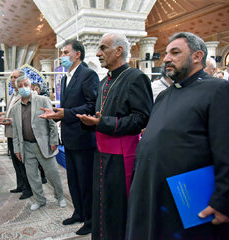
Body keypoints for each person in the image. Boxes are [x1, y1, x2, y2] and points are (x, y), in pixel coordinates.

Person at [126, 32, 229, 240]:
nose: (166, 59)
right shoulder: (165, 95)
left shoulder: (218, 90)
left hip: (189, 202)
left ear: (197, 56)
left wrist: (223, 201)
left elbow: (225, 149)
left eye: (175, 52)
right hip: (154, 193)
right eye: (166, 54)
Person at [76, 33, 153, 240]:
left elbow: (143, 118)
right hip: (101, 154)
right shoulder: (104, 81)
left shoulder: (137, 78)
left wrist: (103, 123)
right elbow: (101, 115)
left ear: (119, 51)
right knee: (102, 204)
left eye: (103, 48)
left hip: (121, 157)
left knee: (118, 207)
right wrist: (90, 121)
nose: (98, 53)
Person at [40, 39, 99, 235]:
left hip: (84, 138)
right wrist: (57, 111)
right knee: (73, 180)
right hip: (70, 137)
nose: (62, 56)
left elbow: (92, 106)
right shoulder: (65, 78)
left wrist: (66, 113)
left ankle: (91, 220)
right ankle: (79, 213)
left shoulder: (88, 74)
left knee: (85, 181)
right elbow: (69, 106)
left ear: (77, 54)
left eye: (65, 52)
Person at [11, 75, 66, 211]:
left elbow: (52, 123)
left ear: (30, 86)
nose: (24, 88)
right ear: (17, 89)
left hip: (43, 144)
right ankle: (40, 200)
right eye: (21, 86)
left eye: (26, 84)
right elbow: (16, 131)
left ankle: (60, 197)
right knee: (32, 176)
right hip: (26, 146)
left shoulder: (42, 100)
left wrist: (54, 141)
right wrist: (17, 149)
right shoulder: (15, 108)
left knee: (52, 173)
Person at [0, 70, 33, 200]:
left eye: (15, 77)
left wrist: (6, 120)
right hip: (10, 133)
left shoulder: (24, 95)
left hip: (19, 133)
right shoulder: (13, 94)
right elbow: (12, 111)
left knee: (22, 162)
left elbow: (24, 116)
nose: (12, 80)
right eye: (11, 77)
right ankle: (20, 185)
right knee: (16, 162)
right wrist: (3, 115)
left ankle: (28, 188)